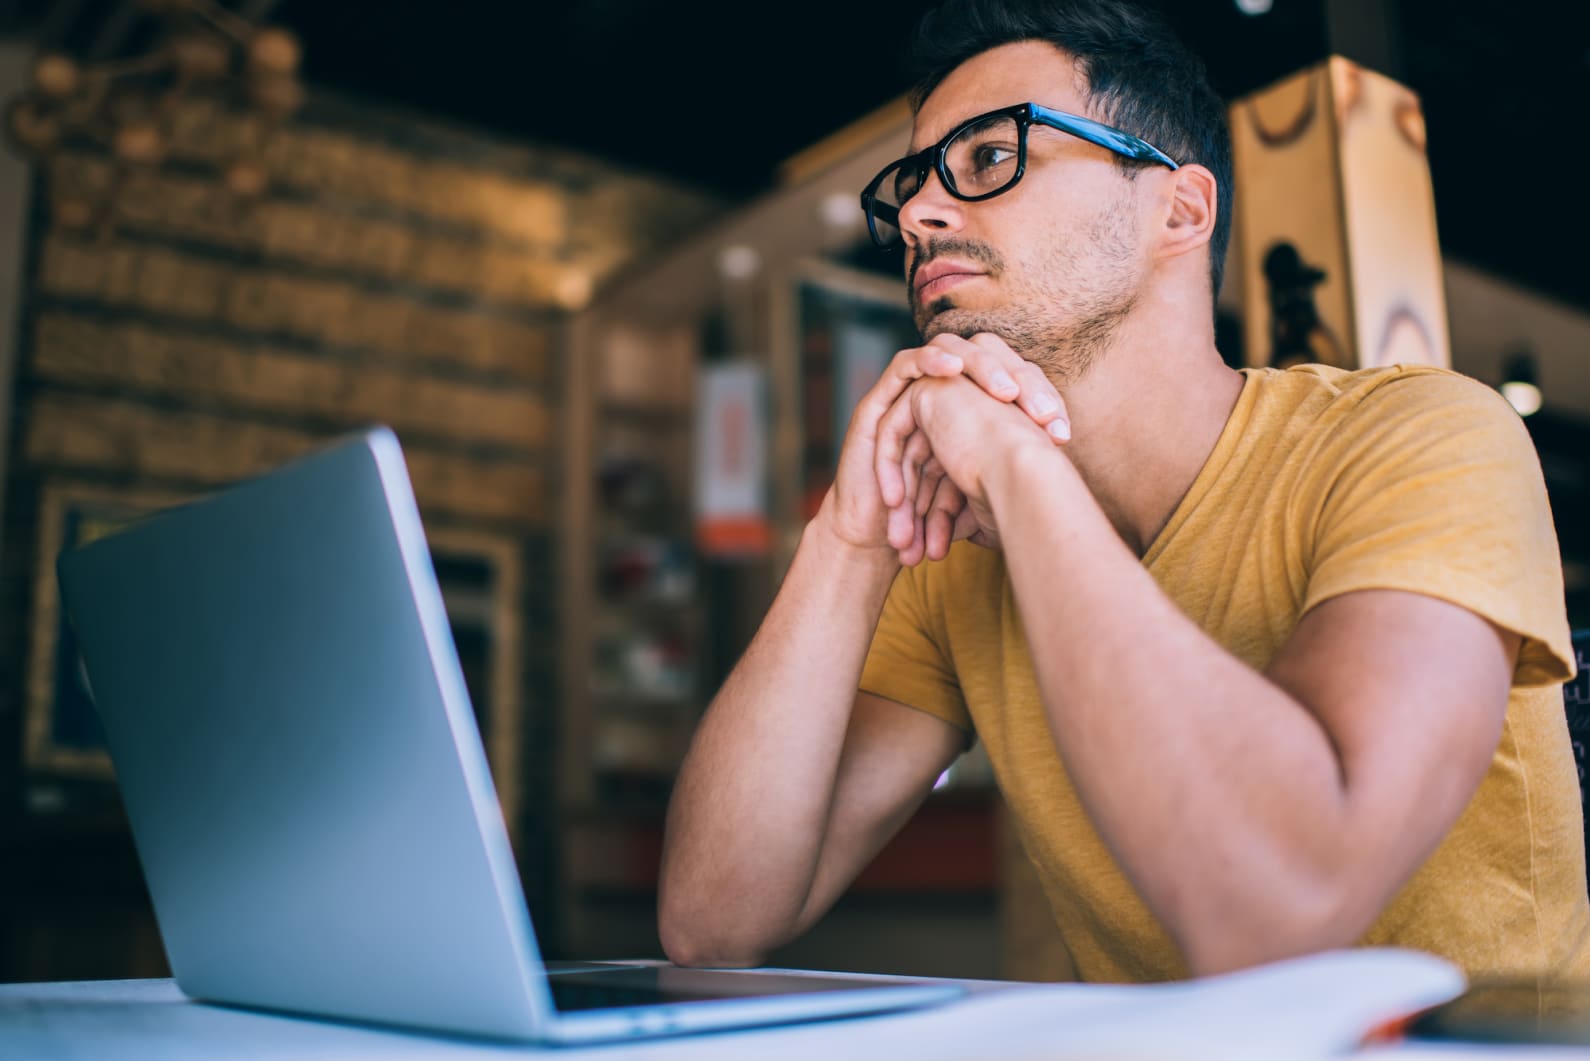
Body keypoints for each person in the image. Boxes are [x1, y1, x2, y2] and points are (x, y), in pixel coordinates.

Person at [658, 0, 1589, 983]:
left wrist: (1022, 469)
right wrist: (848, 537)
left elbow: (1284, 898)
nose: (921, 216)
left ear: (1179, 210)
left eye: (988, 158)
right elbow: (712, 917)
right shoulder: (956, 550)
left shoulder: (1420, 435)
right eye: (913, 186)